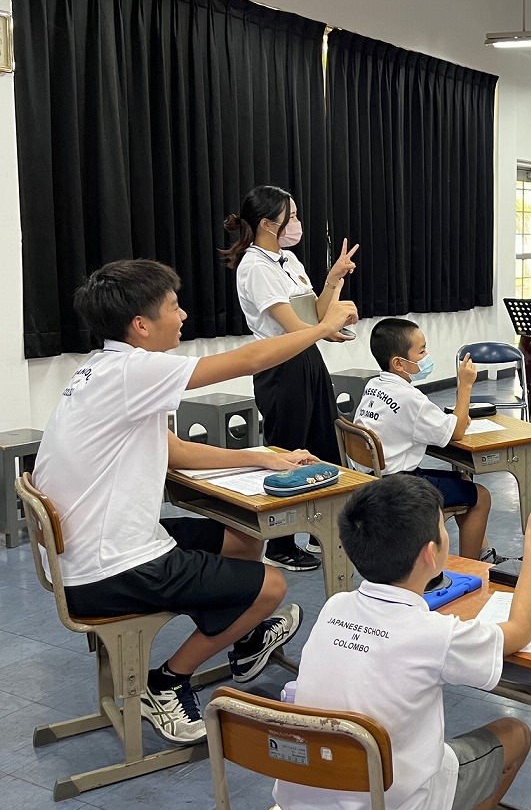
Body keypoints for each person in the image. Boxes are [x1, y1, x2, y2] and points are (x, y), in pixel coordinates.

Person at [33, 258, 358, 744]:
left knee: (243, 536)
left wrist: (260, 459)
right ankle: (165, 682)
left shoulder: (103, 369)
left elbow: (172, 449)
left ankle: (243, 637)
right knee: (271, 587)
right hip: (107, 568)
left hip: (85, 554)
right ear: (140, 326)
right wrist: (324, 325)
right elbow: (250, 360)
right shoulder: (134, 370)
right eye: (173, 306)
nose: (183, 315)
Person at [274, 467, 531, 810]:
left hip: (307, 805)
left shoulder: (335, 607)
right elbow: (522, 629)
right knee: (515, 733)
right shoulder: (435, 636)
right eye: (444, 527)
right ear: (431, 554)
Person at [224, 185, 358, 571]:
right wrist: (327, 327)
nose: (297, 223)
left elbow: (312, 317)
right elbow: (294, 327)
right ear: (267, 223)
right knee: (286, 450)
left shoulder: (290, 261)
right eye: (292, 217)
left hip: (307, 357)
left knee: (325, 442)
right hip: (280, 365)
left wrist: (333, 279)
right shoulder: (255, 267)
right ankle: (280, 543)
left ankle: (322, 530)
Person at [354, 318, 502, 562]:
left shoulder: (374, 385)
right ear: (399, 363)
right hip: (400, 488)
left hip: (370, 480)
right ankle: (471, 568)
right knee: (481, 496)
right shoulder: (412, 399)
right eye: (421, 351)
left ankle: (482, 552)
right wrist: (465, 385)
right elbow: (456, 431)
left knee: (463, 480)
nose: (427, 356)